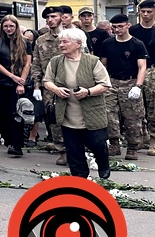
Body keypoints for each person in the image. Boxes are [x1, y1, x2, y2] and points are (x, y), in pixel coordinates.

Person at [43, 27, 112, 178]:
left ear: (78, 43)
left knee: (97, 144)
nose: (61, 45)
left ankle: (103, 162)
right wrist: (56, 90)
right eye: (60, 42)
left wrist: (88, 92)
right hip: (67, 115)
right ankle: (80, 180)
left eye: (65, 42)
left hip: (92, 113)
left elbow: (105, 84)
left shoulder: (92, 61)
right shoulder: (55, 62)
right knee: (74, 152)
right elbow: (47, 81)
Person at [97, 14, 147, 160]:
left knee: (133, 116)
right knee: (108, 114)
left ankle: (132, 147)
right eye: (114, 27)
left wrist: (138, 86)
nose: (117, 29)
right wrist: (102, 82)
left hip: (130, 82)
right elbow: (102, 64)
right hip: (112, 82)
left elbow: (142, 66)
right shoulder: (108, 43)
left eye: (120, 26)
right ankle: (114, 143)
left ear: (128, 26)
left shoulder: (137, 44)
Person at [0, 15, 32, 157]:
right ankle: (9, 140)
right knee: (3, 114)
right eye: (6, 26)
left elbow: (27, 63)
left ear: (16, 27)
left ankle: (17, 144)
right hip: (2, 82)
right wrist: (11, 76)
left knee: (16, 114)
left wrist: (21, 81)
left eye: (11, 26)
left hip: (19, 83)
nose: (8, 29)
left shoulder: (25, 42)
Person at [31, 6, 65, 162]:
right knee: (54, 118)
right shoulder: (41, 40)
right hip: (49, 85)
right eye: (48, 18)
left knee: (72, 117)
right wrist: (37, 85)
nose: (50, 20)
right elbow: (36, 64)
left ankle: (75, 148)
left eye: (53, 16)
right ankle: (62, 149)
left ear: (61, 17)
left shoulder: (71, 36)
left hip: (68, 83)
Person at [132, 0, 155, 155]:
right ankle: (141, 137)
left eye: (149, 12)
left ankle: (153, 140)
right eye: (143, 11)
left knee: (152, 107)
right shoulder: (134, 30)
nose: (146, 15)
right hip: (136, 72)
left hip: (153, 70)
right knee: (136, 108)